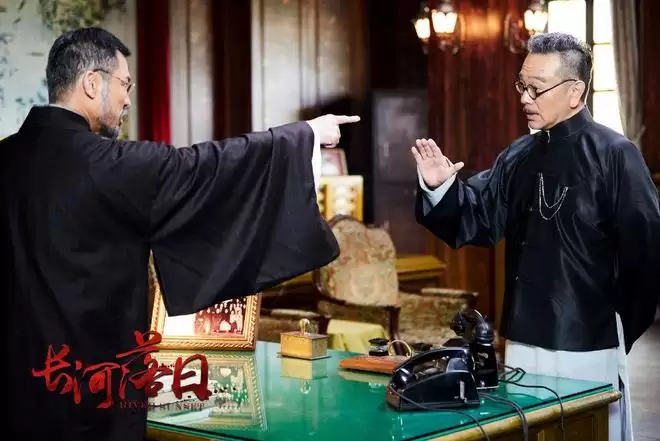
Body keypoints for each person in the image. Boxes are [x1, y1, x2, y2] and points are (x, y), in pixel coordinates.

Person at [1, 27, 359, 440]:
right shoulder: (110, 164)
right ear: (92, 83)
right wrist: (306, 135)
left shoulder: (6, 158)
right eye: (125, 84)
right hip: (88, 395)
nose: (128, 99)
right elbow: (204, 167)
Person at [412, 32, 660, 441]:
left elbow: (647, 256)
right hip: (523, 337)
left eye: (536, 89)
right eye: (521, 86)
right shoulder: (518, 156)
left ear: (575, 92)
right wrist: (440, 188)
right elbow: (478, 218)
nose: (525, 98)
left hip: (590, 340)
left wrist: (616, 326)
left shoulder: (616, 155)